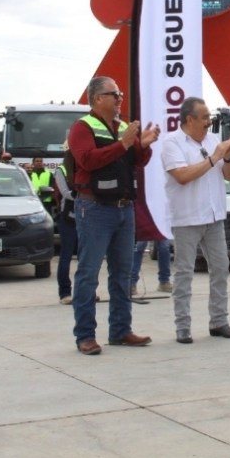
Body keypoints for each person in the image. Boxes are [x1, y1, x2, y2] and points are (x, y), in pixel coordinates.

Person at [67, 76, 159, 355]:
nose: (120, 98)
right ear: (97, 99)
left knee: (122, 274)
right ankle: (85, 336)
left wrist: (142, 145)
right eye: (114, 94)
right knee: (88, 274)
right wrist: (125, 143)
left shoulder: (121, 127)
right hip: (94, 208)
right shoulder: (82, 127)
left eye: (120, 94)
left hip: (124, 207)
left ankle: (120, 330)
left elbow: (136, 163)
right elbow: (87, 160)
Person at [160, 96, 230, 343]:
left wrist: (227, 157)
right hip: (187, 218)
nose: (209, 121)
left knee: (220, 268)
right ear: (189, 119)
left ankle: (219, 322)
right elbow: (183, 176)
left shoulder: (212, 140)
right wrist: (214, 157)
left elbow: (229, 177)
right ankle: (182, 327)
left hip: (214, 215)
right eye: (205, 117)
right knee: (184, 273)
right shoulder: (172, 143)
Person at [53, 139, 77, 304]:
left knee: (87, 257)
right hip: (68, 217)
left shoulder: (83, 167)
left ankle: (86, 291)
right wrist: (84, 195)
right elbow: (66, 192)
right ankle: (65, 293)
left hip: (86, 216)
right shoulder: (61, 170)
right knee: (66, 255)